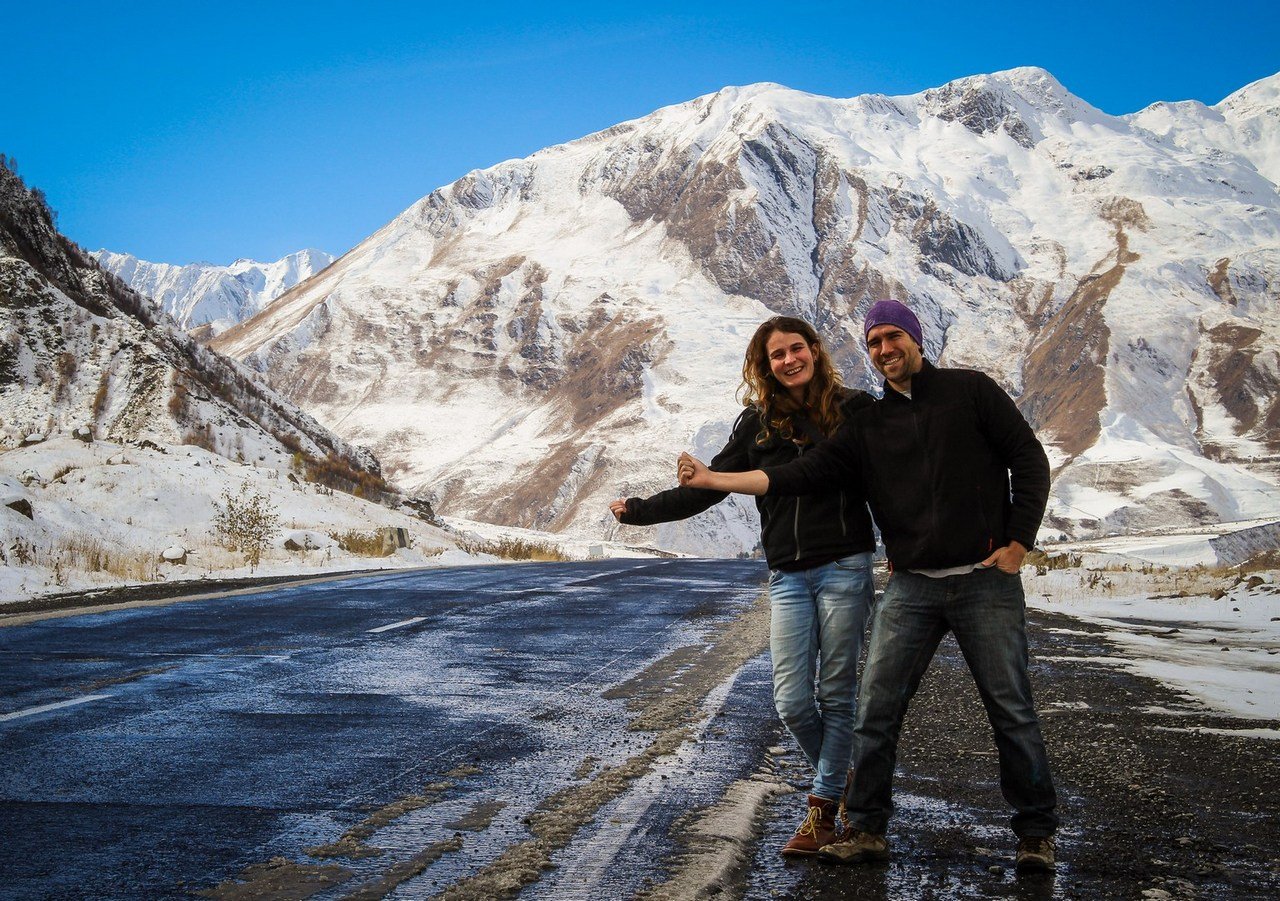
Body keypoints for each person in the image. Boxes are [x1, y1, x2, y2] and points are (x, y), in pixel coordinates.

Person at [677, 299, 1059, 874]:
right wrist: (714, 479)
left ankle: (1035, 835)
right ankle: (867, 828)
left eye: (893, 337)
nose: (885, 350)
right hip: (911, 587)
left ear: (915, 338)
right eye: (875, 342)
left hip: (985, 581)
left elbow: (1028, 459)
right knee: (874, 711)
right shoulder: (870, 424)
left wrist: (1019, 540)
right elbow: (799, 474)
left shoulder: (971, 392)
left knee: (1010, 710)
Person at [610, 316, 876, 856]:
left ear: (815, 350)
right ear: (764, 365)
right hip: (787, 575)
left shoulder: (855, 409)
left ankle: (821, 812)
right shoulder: (756, 423)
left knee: (837, 693)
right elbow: (708, 487)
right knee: (792, 700)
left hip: (845, 565)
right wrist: (641, 511)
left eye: (795, 349)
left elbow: (873, 480)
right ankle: (847, 783)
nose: (788, 361)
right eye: (775, 355)